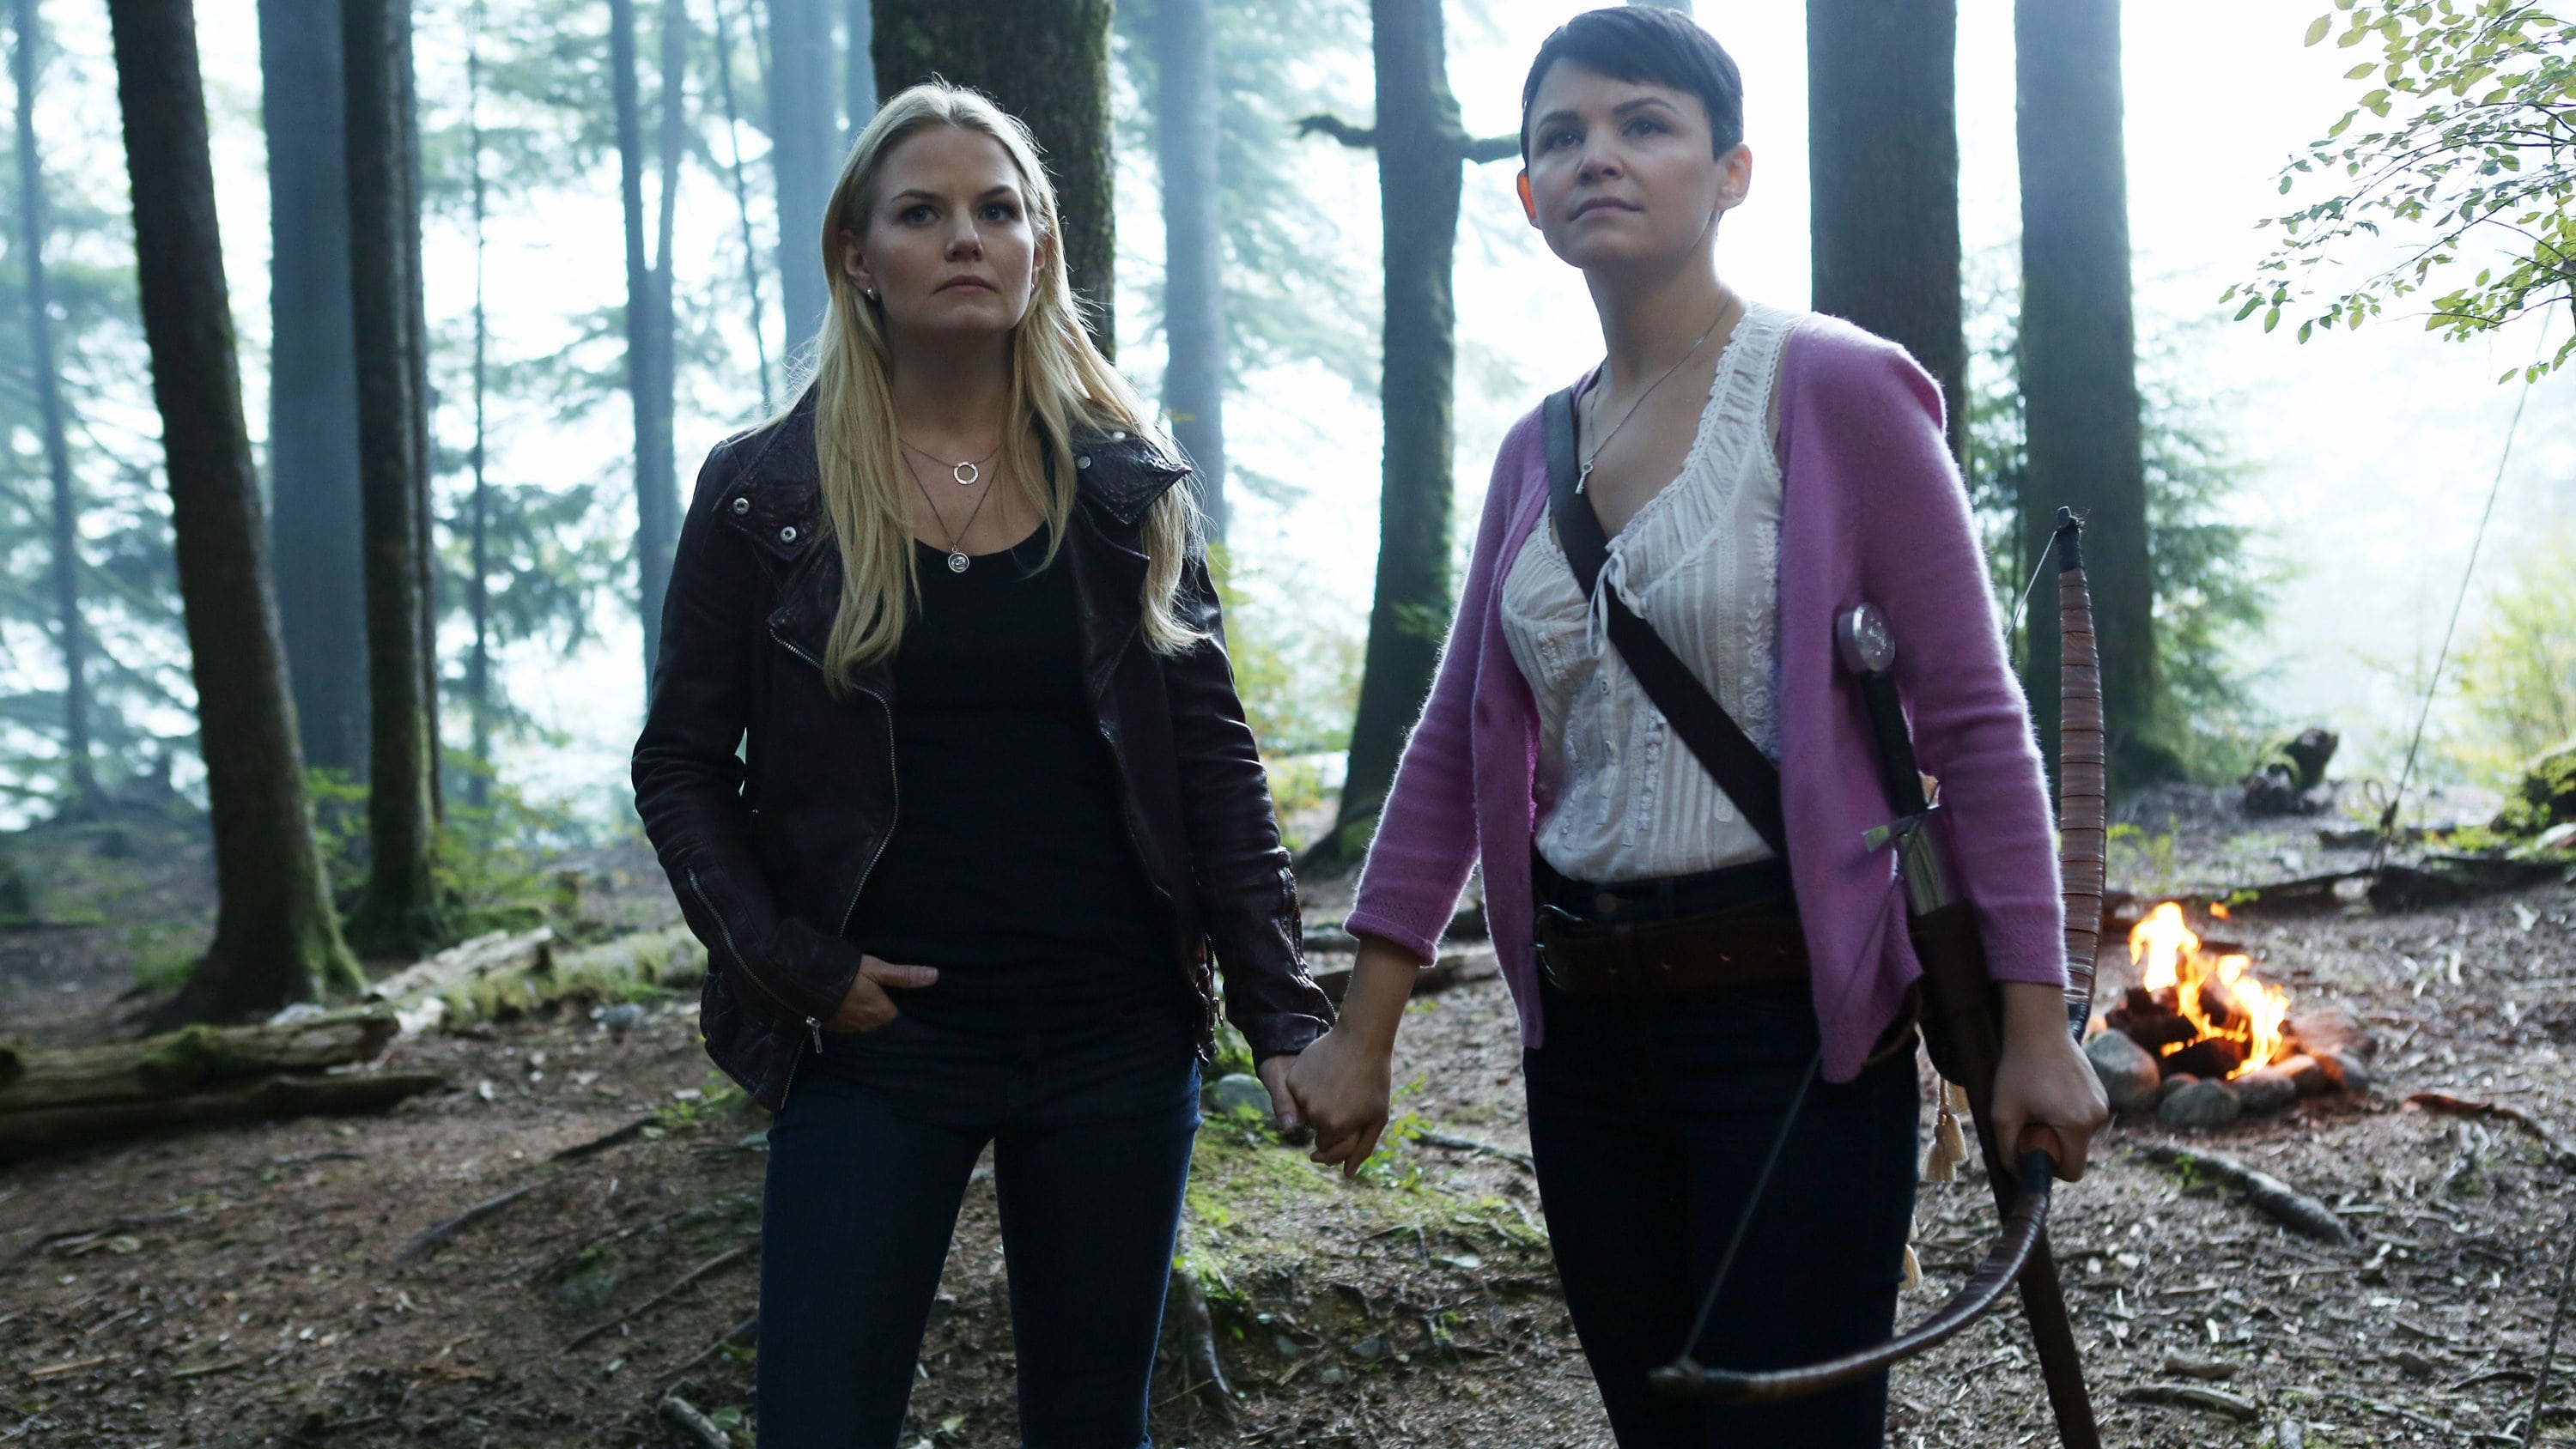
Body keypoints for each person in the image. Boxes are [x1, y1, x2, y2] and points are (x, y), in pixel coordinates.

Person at [1281, 10, 2109, 1446]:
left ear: (1732, 173)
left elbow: (1975, 723)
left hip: (1793, 1026)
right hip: (1584, 1040)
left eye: (1644, 124)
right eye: (1562, 137)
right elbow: (1453, 750)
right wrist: (1366, 1033)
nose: (1597, 155)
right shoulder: (1531, 455)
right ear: (1529, 194)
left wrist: (2034, 1025)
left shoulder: (1840, 390)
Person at [632, 82, 1334, 1449]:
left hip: (1116, 1035)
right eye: (923, 213)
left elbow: (1213, 764)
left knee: (1092, 1427)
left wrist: (1282, 1012)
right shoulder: (765, 494)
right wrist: (794, 965)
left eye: (997, 210)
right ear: (858, 256)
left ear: (1038, 250)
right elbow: (680, 764)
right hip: (879, 1047)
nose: (965, 237)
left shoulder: (1125, 484)